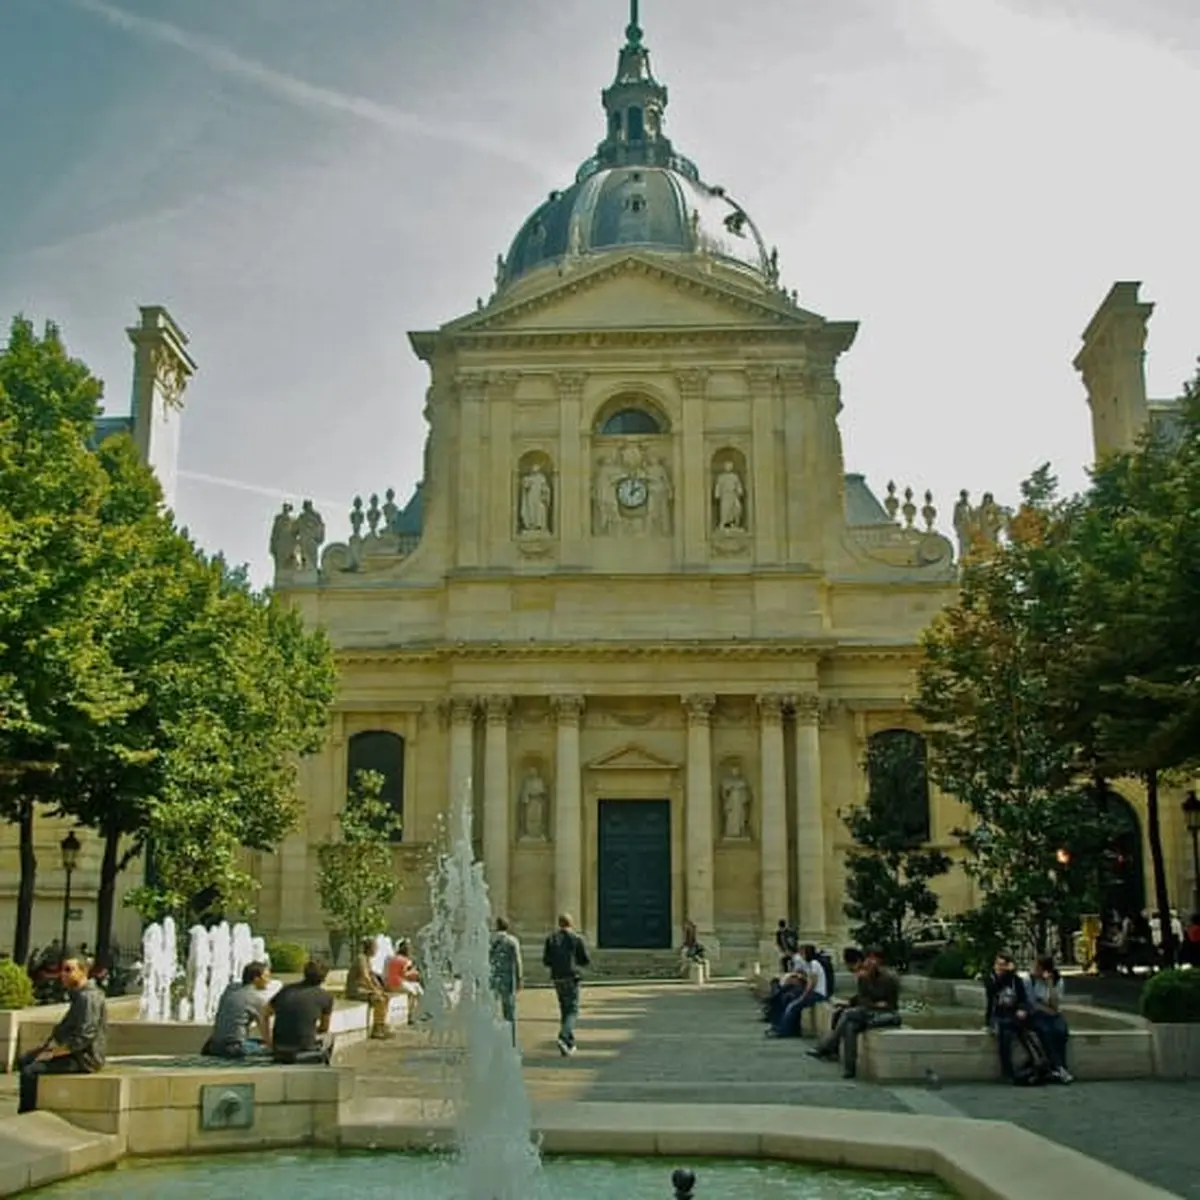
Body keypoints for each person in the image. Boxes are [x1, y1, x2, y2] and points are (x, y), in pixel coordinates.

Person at [17, 957, 107, 1113]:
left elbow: (85, 1035)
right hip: (74, 1053)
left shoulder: (88, 998)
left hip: (83, 1058)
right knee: (25, 1059)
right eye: (62, 970)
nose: (63, 974)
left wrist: (53, 1053)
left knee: (30, 1070)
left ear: (83, 971)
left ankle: (28, 1113)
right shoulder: (80, 995)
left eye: (69, 970)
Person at [806, 947, 900, 1078]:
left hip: (886, 1015)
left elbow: (889, 1005)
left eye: (872, 959)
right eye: (868, 959)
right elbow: (863, 999)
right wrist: (867, 996)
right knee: (849, 1026)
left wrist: (871, 1004)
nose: (869, 963)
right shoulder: (864, 978)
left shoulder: (888, 978)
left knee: (848, 1014)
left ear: (879, 961)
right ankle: (850, 1069)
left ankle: (828, 1045)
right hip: (868, 1012)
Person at [985, 951, 1042, 1084]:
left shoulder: (1016, 980)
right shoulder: (990, 978)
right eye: (998, 964)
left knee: (1024, 1028)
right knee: (1005, 1032)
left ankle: (1036, 1062)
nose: (1000, 968)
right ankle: (1008, 1072)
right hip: (997, 1015)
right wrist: (1007, 974)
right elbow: (994, 989)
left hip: (1014, 1014)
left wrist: (1022, 1009)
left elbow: (1023, 999)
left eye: (1003, 965)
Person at [268, 960, 335, 1064]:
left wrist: (268, 1038)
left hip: (279, 1046)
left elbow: (266, 1012)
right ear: (324, 978)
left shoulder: (286, 990)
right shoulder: (326, 996)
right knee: (330, 1038)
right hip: (305, 1047)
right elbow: (324, 1028)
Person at [202, 961, 273, 1059]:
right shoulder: (257, 998)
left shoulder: (230, 988)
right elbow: (267, 1035)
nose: (269, 981)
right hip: (234, 1048)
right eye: (267, 977)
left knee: (257, 1042)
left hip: (212, 1046)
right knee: (271, 1049)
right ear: (256, 979)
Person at [543, 913, 590, 1056]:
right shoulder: (576, 938)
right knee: (572, 1010)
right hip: (571, 977)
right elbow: (584, 960)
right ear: (571, 923)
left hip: (557, 978)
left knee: (564, 1009)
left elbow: (546, 960)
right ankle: (563, 1036)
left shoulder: (551, 938)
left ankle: (569, 1043)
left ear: (559, 923)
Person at [1027, 955, 1072, 1083]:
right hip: (1037, 1014)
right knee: (1045, 1031)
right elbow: (1032, 1003)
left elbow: (1055, 1004)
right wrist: (1049, 1009)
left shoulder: (1057, 981)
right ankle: (1059, 1067)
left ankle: (1059, 1068)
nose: (1033, 969)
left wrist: (1050, 984)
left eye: (1036, 967)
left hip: (1053, 1014)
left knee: (1061, 1031)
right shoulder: (1030, 981)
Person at [768, 944, 830, 1038]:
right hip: (813, 992)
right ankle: (787, 1027)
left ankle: (784, 1030)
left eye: (803, 953)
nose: (802, 955)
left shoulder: (814, 964)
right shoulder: (811, 964)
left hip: (817, 994)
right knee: (789, 999)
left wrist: (803, 996)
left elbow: (812, 983)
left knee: (792, 1006)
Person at [346, 937, 393, 1040]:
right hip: (356, 990)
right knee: (379, 999)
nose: (376, 950)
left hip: (364, 989)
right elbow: (365, 977)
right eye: (375, 948)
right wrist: (375, 990)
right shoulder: (361, 959)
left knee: (385, 997)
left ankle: (382, 1025)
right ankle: (377, 1029)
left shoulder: (368, 960)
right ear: (370, 948)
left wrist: (379, 988)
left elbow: (372, 976)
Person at [489, 917, 524, 1046]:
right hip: (508, 979)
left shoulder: (490, 940)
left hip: (492, 978)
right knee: (509, 1010)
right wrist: (519, 978)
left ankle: (492, 1038)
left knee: (491, 1009)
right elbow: (517, 961)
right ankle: (510, 1039)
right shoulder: (512, 941)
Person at [384, 938, 424, 1023]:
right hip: (397, 983)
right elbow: (404, 974)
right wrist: (414, 972)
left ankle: (417, 1012)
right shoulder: (405, 960)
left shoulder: (394, 958)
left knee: (417, 988)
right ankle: (412, 1015)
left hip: (390, 983)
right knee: (414, 992)